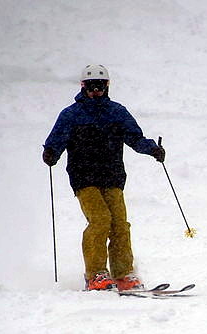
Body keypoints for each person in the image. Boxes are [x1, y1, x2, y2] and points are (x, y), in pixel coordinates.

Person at [43, 64, 165, 291]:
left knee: (119, 224)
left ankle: (123, 274)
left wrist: (152, 149)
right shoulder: (71, 115)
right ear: (83, 86)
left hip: (112, 176)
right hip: (84, 177)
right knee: (100, 219)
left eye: (100, 86)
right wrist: (51, 153)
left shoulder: (117, 112)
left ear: (107, 86)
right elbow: (55, 142)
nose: (95, 91)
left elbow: (135, 138)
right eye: (91, 86)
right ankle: (95, 274)